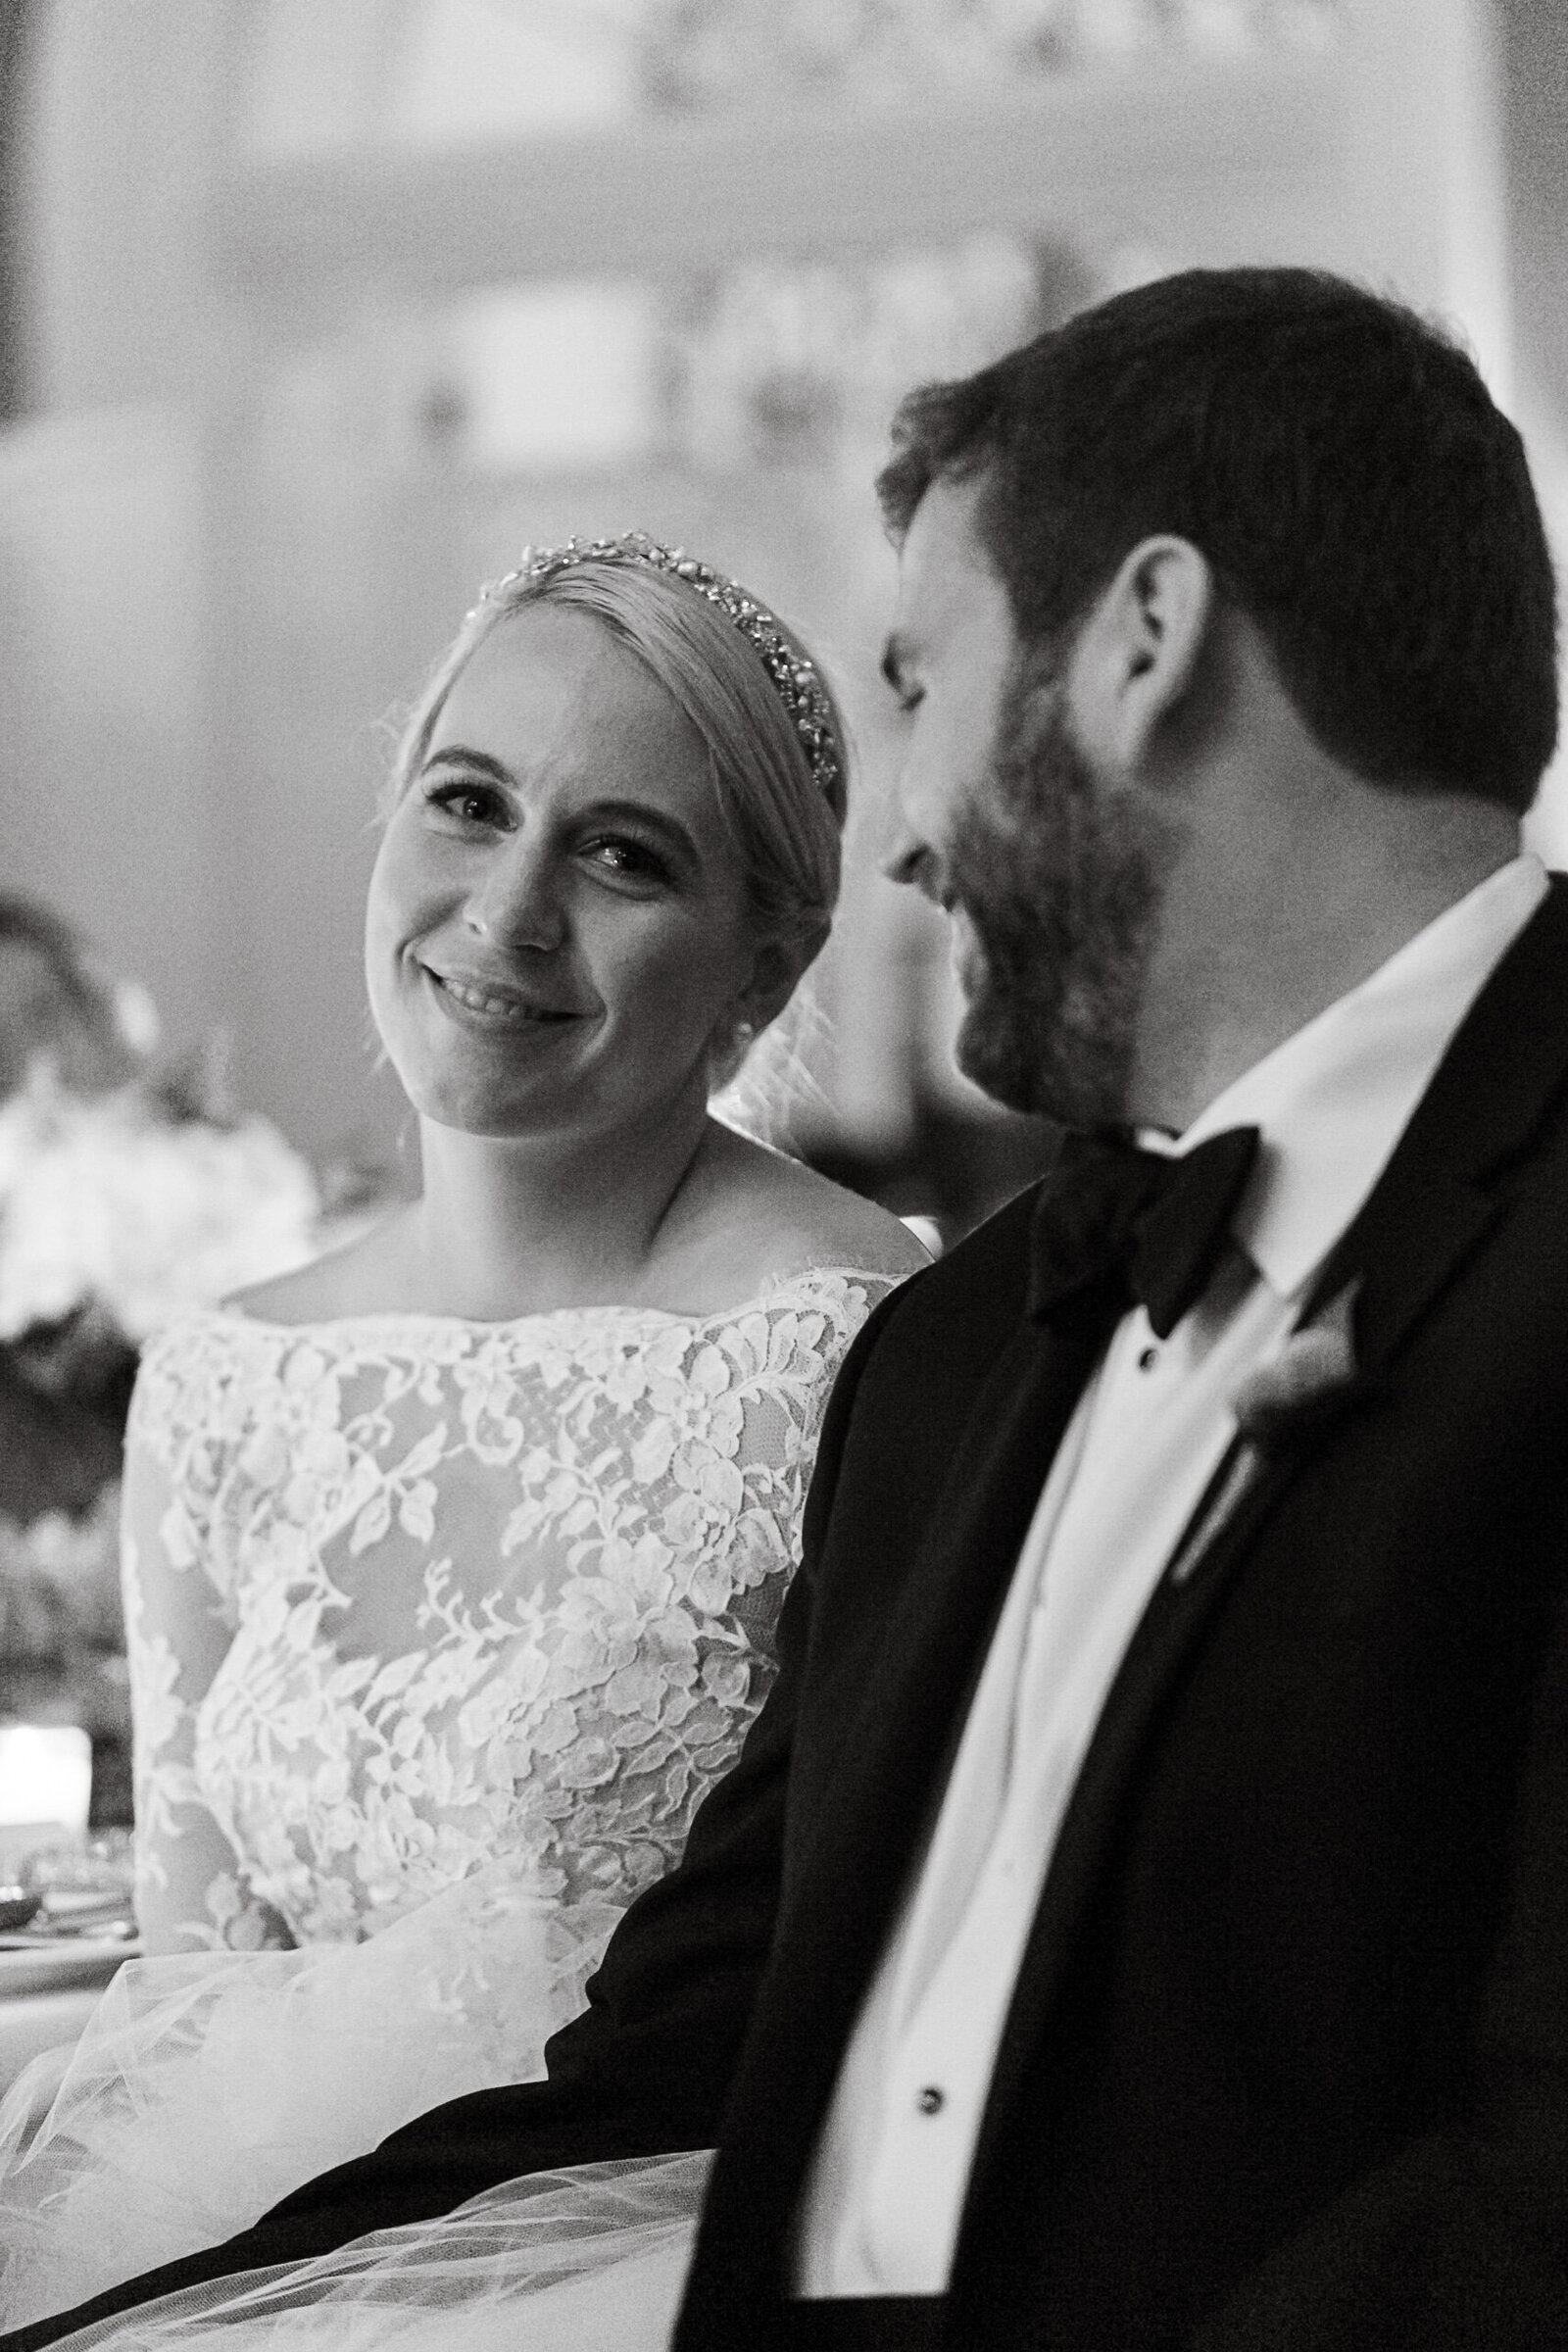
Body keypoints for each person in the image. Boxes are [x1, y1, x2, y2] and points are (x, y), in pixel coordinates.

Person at [10, 262, 1568, 2352]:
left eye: (917, 685)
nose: (902, 843)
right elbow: (688, 2039)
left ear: (1141, 645)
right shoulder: (966, 1351)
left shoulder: (858, 1313)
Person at [0, 536, 924, 2330]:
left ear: (763, 960)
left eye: (623, 854)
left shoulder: (854, 1345)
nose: (508, 913)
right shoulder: (225, 1378)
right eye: (469, 803)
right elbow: (199, 1982)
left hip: (657, 2231)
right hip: (236, 2230)